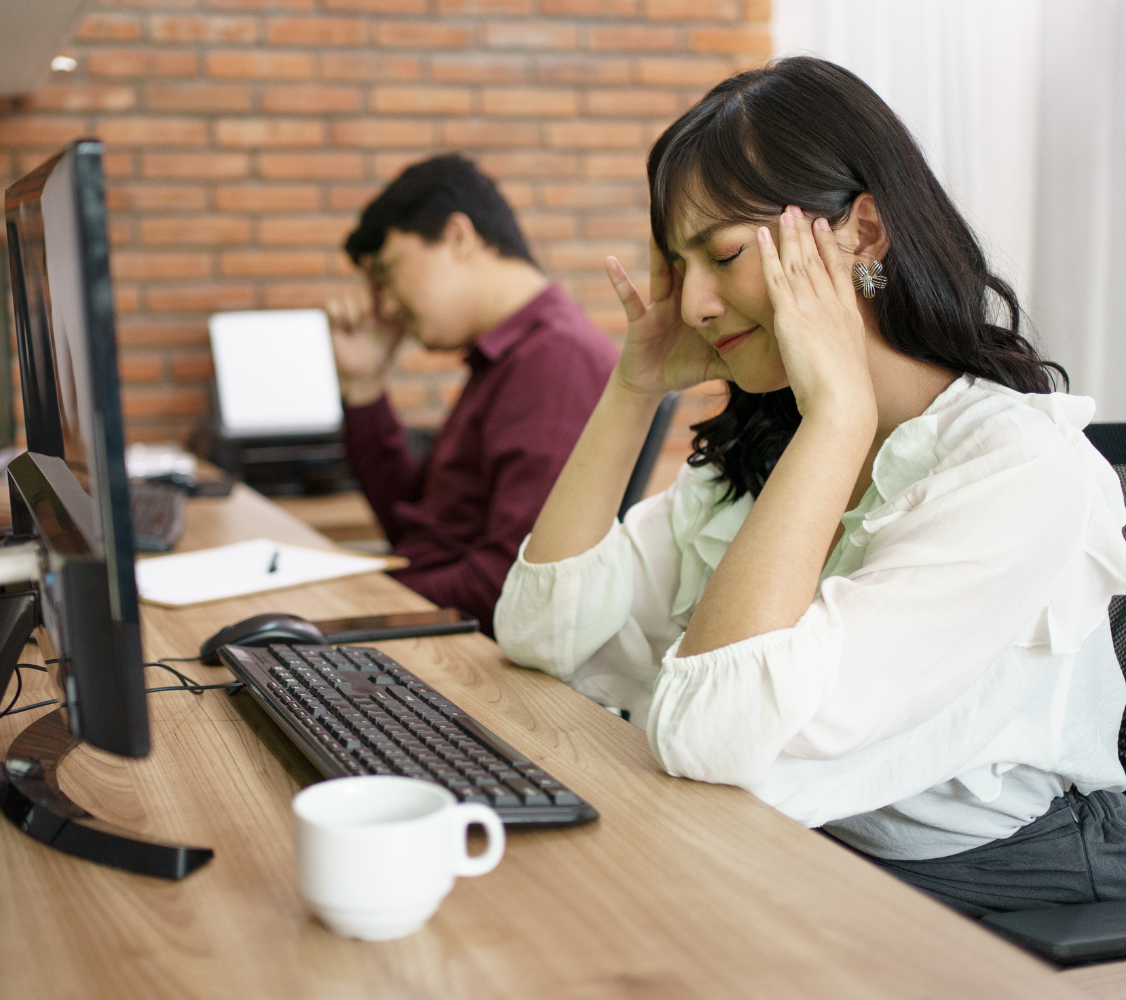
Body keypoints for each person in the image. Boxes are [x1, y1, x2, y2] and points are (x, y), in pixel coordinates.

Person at [495, 57, 1126, 917]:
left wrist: (839, 413)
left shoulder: (1018, 467)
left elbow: (713, 732)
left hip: (997, 881)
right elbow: (540, 631)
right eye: (680, 267)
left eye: (723, 253)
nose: (696, 303)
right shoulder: (772, 434)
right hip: (805, 842)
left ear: (862, 233)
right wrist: (634, 387)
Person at [327, 154, 618, 636]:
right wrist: (364, 386)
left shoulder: (555, 361)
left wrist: (360, 601)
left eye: (389, 273)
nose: (387, 306)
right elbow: (421, 530)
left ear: (458, 237)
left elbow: (508, 580)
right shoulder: (507, 358)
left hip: (470, 658)